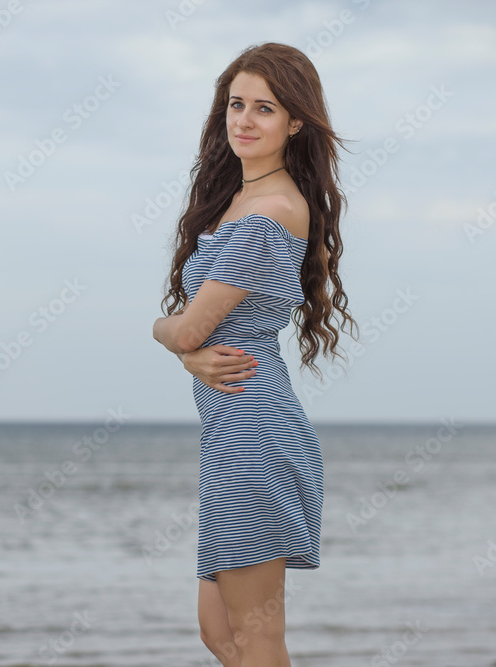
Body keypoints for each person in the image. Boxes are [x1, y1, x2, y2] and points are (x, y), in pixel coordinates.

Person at [152, 42, 357, 667]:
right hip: (231, 435)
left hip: (254, 438)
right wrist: (185, 347)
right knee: (219, 632)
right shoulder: (238, 204)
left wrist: (167, 336)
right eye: (235, 105)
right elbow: (196, 337)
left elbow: (189, 332)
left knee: (257, 638)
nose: (243, 120)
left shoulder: (268, 214)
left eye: (263, 109)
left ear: (295, 122)